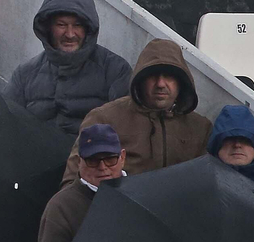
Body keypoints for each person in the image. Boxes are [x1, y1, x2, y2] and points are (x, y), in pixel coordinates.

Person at [63, 39, 210, 183]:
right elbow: (72, 183)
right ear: (140, 80)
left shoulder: (201, 128)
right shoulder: (104, 118)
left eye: (169, 76)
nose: (160, 84)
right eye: (152, 76)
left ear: (181, 82)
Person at [6, 0, 131, 135]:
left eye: (77, 25)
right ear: (48, 28)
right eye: (61, 25)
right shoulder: (24, 74)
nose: (70, 34)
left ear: (88, 28)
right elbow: (4, 124)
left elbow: (127, 132)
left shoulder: (115, 70)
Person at [39, 125, 126, 242]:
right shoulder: (61, 207)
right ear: (79, 162)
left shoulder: (140, 194)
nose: (102, 167)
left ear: (122, 158)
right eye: (92, 160)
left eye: (110, 159)